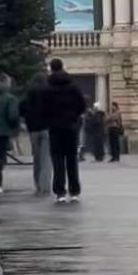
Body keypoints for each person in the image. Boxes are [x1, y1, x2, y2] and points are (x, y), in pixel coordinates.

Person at [35, 57, 87, 202]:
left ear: (51, 68)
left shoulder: (47, 88)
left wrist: (47, 121)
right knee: (72, 159)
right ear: (62, 67)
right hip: (71, 127)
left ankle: (60, 192)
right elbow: (82, 105)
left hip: (55, 128)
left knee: (57, 159)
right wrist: (74, 117)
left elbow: (42, 109)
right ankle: (74, 191)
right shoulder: (73, 87)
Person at [19, 73, 53, 195]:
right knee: (46, 159)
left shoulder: (28, 94)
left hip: (33, 129)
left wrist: (27, 119)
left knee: (37, 159)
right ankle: (45, 186)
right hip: (47, 129)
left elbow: (20, 109)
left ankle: (38, 185)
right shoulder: (49, 93)